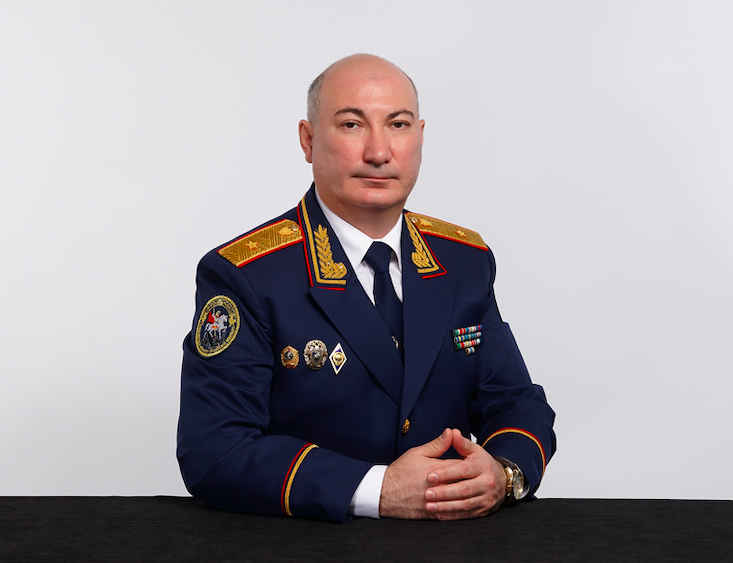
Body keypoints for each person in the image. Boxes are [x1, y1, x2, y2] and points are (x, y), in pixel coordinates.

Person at [177, 54, 556, 523]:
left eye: (398, 125)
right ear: (308, 140)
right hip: (310, 544)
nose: (379, 152)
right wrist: (380, 489)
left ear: (420, 136)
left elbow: (514, 401)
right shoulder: (248, 275)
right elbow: (214, 450)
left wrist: (503, 472)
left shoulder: (463, 261)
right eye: (352, 125)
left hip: (451, 543)